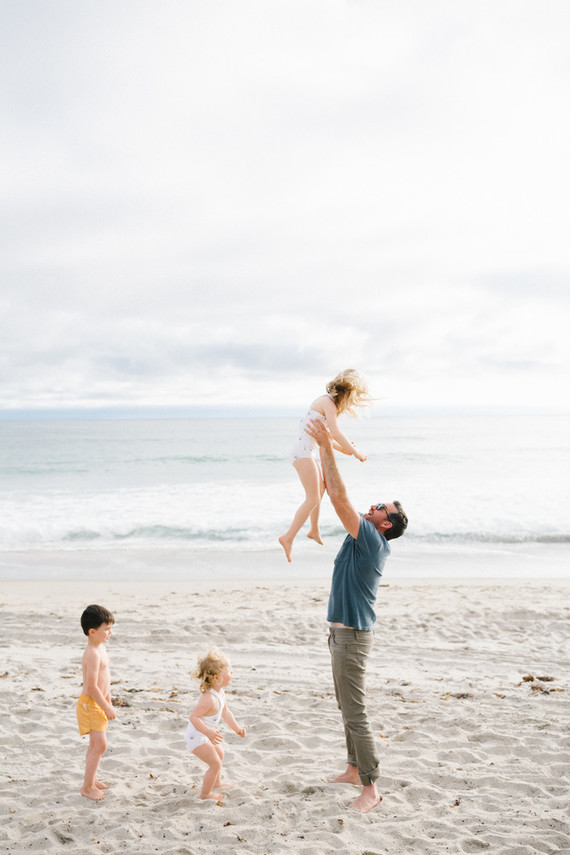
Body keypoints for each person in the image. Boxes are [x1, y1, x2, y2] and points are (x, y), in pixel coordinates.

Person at [306, 416, 408, 814]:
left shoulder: (371, 541)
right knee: (345, 707)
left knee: (356, 712)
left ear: (385, 523)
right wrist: (319, 449)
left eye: (379, 506)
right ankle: (352, 768)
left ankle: (371, 787)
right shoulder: (359, 536)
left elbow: (340, 498)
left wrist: (327, 444)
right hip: (340, 636)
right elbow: (334, 492)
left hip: (352, 639)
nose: (372, 505)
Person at [278, 369, 371, 562]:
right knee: (312, 498)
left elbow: (327, 437)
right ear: (347, 392)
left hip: (305, 452)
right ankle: (288, 537)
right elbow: (335, 432)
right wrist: (356, 453)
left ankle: (314, 530)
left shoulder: (328, 404)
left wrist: (344, 450)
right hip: (302, 454)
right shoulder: (326, 402)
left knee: (319, 491)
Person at [184, 648, 246, 801]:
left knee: (220, 753)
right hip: (195, 738)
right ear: (217, 678)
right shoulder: (208, 699)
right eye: (229, 671)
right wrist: (208, 732)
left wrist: (237, 728)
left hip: (204, 736)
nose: (232, 673)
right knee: (215, 763)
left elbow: (225, 712)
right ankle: (205, 795)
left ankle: (216, 782)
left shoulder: (220, 694)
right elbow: (194, 717)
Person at [77, 604, 116, 801]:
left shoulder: (100, 648)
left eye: (110, 628)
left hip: (97, 702)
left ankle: (91, 779)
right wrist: (105, 705)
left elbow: (104, 681)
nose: (110, 633)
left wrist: (108, 699)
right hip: (91, 703)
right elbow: (91, 686)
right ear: (92, 632)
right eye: (106, 629)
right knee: (100, 745)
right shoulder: (91, 654)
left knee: (94, 744)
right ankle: (87, 787)